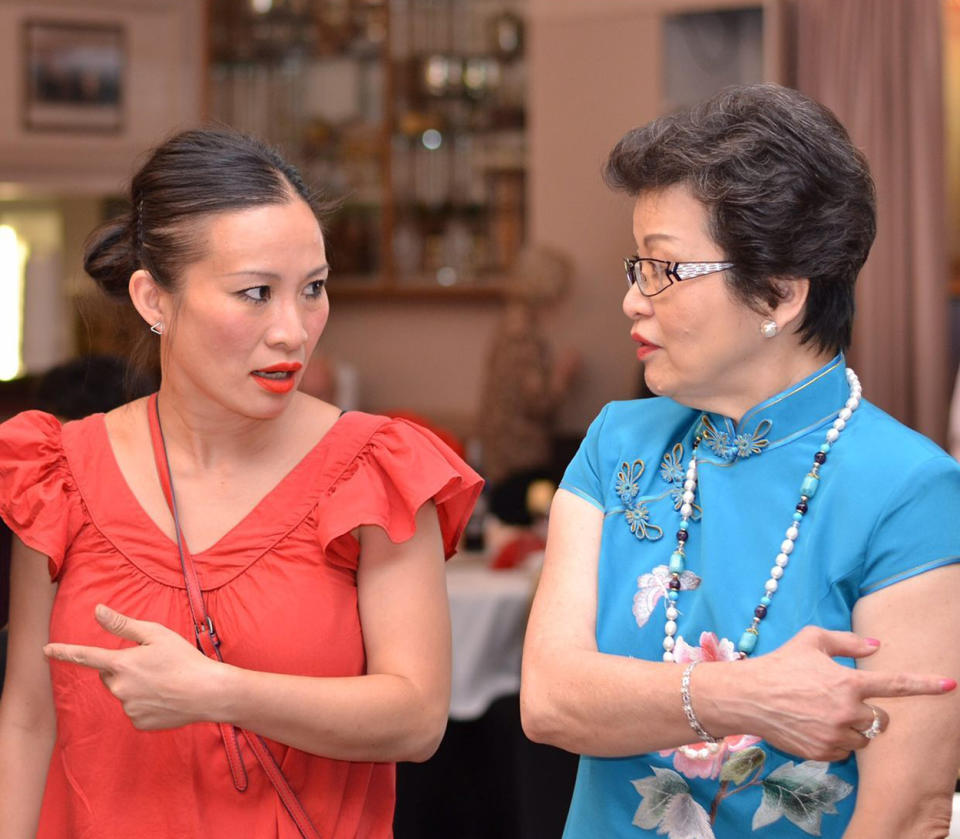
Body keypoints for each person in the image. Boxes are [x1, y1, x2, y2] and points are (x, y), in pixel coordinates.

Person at [0, 128, 482, 838]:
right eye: (256, 292)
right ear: (153, 299)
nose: (293, 329)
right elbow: (29, 716)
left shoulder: (373, 469)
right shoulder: (59, 472)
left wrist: (218, 691)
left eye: (312, 289)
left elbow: (415, 719)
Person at [520, 84, 960, 839]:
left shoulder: (910, 490)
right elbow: (551, 699)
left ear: (780, 294)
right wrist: (743, 693)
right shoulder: (617, 443)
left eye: (662, 270)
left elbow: (906, 808)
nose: (632, 300)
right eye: (635, 267)